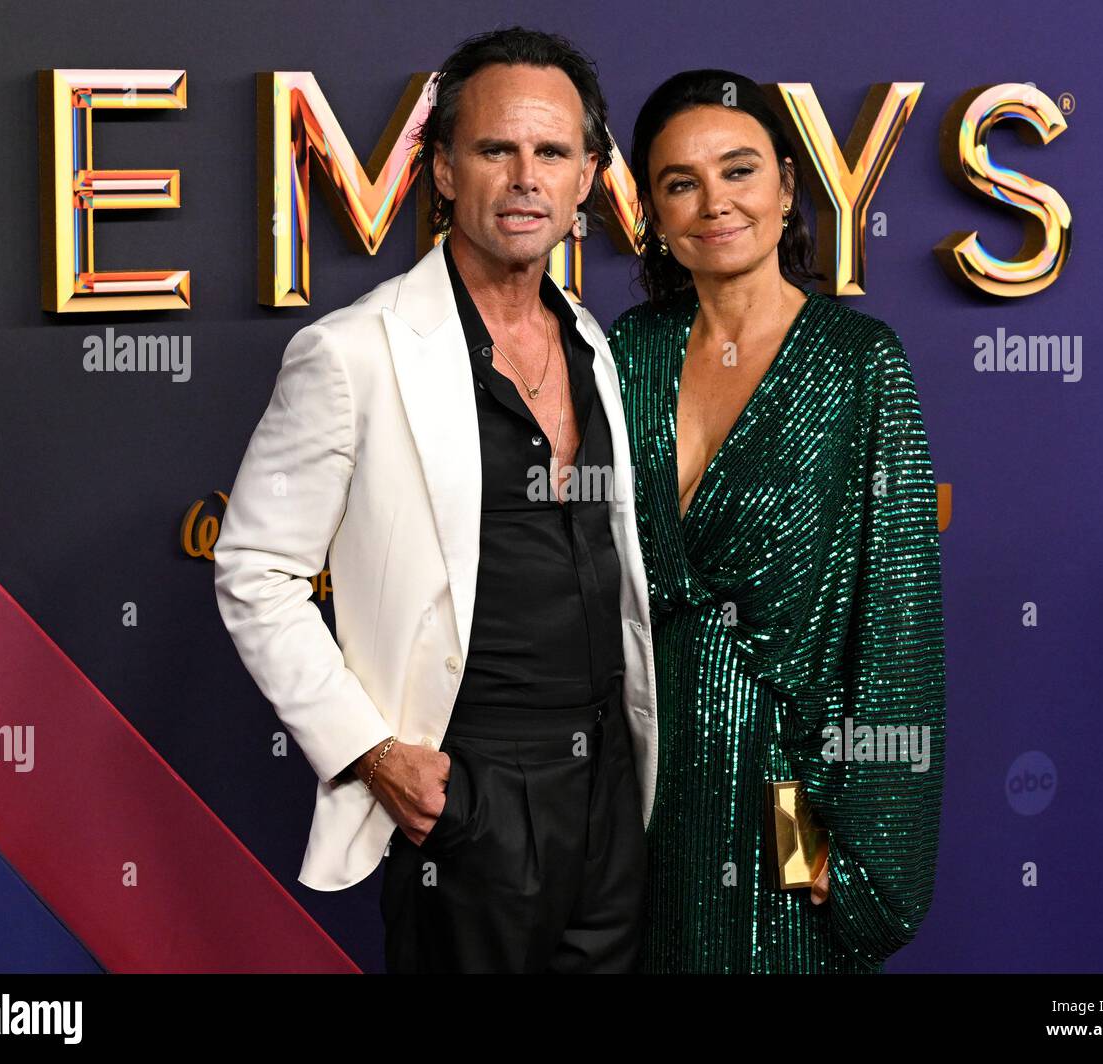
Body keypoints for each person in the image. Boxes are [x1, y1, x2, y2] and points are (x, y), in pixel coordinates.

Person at [212, 27, 656, 973]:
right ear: (446, 171)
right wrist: (372, 751)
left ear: (587, 180)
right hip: (469, 794)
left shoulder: (593, 342)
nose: (526, 177)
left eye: (554, 152)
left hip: (611, 788)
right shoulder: (354, 352)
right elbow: (254, 568)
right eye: (497, 150)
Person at [606, 69, 946, 973]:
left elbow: (896, 617)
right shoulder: (622, 353)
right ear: (655, 211)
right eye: (681, 182)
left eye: (739, 170)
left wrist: (832, 850)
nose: (714, 202)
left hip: (786, 795)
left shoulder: (859, 362)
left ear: (788, 186)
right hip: (632, 789)